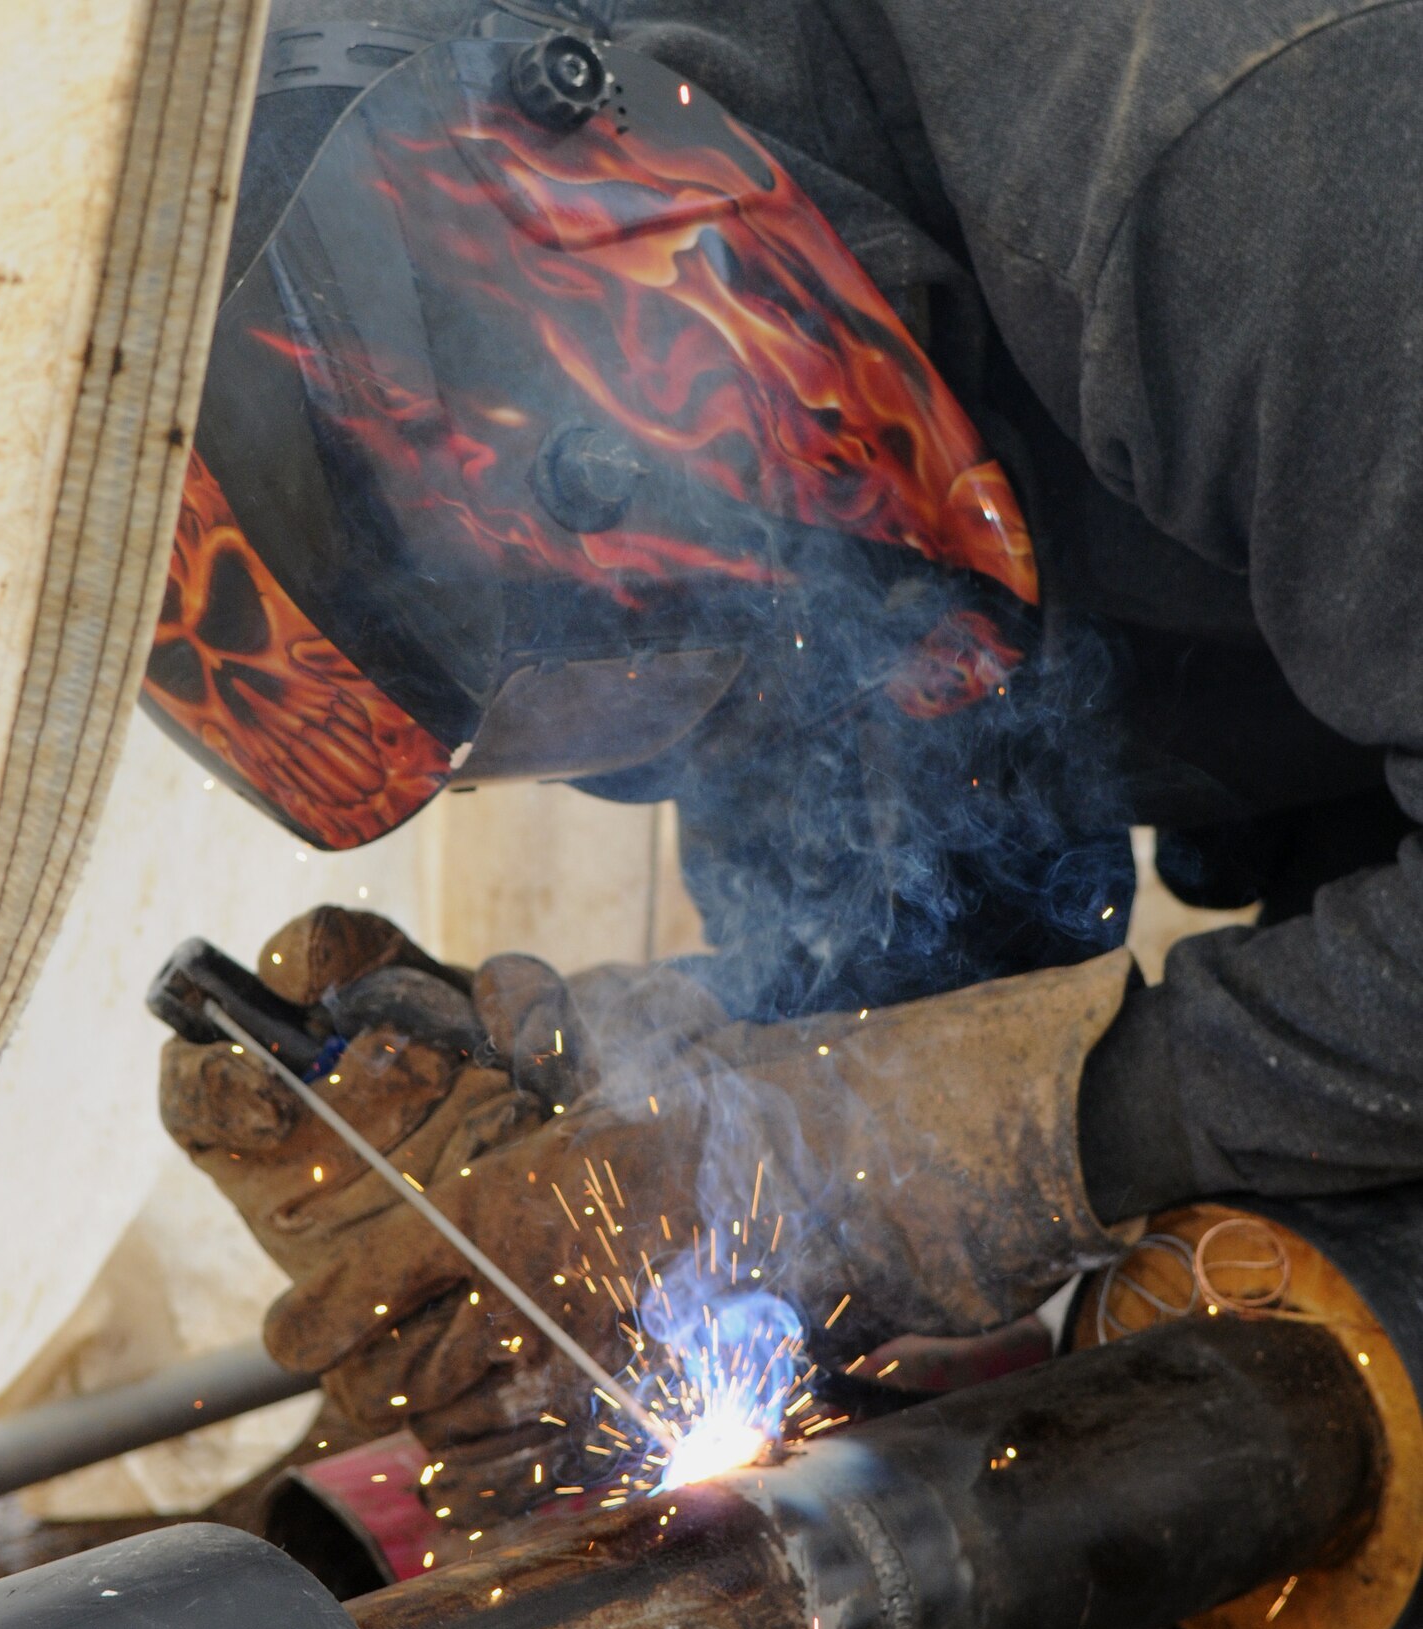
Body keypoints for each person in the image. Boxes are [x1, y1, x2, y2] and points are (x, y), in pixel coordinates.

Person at [148, 0, 1423, 1518]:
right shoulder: (784, 384)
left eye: (635, 683)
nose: (650, 760)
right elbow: (931, 898)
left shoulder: (1243, 165)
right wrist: (663, 1098)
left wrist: (983, 1149)